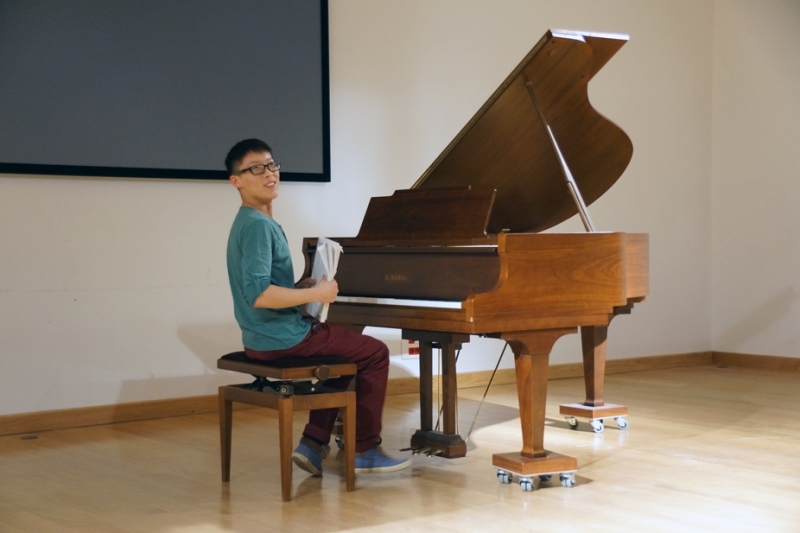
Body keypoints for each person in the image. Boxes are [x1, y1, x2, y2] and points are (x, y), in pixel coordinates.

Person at [224, 138, 411, 476]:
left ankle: (313, 445)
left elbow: (262, 286)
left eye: (271, 165)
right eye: (255, 169)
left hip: (262, 337)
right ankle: (365, 448)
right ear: (236, 180)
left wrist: (300, 287)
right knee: (374, 354)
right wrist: (319, 294)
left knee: (343, 357)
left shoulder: (250, 221)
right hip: (282, 337)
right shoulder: (256, 225)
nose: (268, 173)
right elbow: (259, 295)